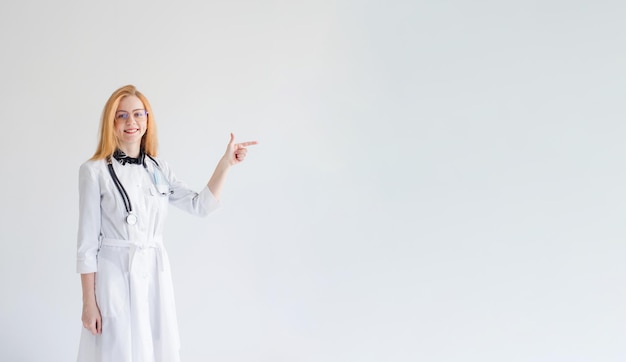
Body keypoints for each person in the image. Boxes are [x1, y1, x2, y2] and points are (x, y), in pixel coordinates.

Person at [76, 84, 257, 361]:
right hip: (115, 274)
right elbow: (87, 245)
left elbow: (200, 205)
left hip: (154, 274)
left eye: (138, 114)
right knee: (118, 351)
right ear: (110, 122)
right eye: (121, 115)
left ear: (147, 120)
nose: (131, 122)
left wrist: (225, 165)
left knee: (157, 348)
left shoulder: (159, 169)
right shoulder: (94, 171)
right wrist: (89, 302)